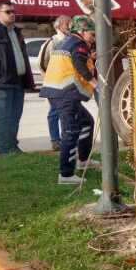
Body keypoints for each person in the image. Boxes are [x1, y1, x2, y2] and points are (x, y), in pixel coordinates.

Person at [39, 15, 100, 185]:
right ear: (81, 31)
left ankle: (82, 160)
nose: (93, 38)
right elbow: (79, 65)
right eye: (91, 34)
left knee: (86, 121)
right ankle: (66, 175)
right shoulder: (78, 44)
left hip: (58, 91)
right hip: (65, 93)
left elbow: (72, 62)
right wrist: (95, 84)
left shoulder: (66, 42)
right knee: (70, 131)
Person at [0, 0, 35, 155]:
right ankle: (4, 151)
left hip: (18, 81)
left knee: (15, 116)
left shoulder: (16, 32)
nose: (12, 14)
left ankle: (13, 147)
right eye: (8, 12)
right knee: (4, 116)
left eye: (13, 11)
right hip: (1, 82)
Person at [39, 15, 71, 150]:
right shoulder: (51, 42)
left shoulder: (71, 41)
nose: (69, 26)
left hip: (68, 84)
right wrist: (52, 76)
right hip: (54, 83)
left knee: (67, 112)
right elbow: (42, 63)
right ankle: (55, 140)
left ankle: (67, 138)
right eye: (66, 24)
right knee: (54, 112)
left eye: (70, 23)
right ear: (58, 26)